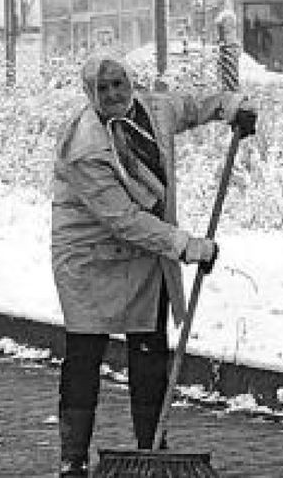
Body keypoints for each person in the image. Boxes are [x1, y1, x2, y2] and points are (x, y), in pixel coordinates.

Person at [50, 54, 258, 478]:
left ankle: (151, 448)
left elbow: (194, 106)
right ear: (90, 93)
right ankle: (73, 457)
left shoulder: (153, 110)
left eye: (118, 83)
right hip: (90, 258)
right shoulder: (85, 146)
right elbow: (123, 219)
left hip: (144, 254)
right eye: (102, 88)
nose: (113, 94)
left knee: (149, 350)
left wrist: (230, 106)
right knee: (85, 355)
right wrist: (185, 246)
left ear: (130, 81)